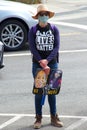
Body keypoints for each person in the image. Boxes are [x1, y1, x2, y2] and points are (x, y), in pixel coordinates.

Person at [28, 4, 63, 129]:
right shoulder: (33, 30)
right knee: (39, 92)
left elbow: (56, 47)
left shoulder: (54, 29)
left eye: (46, 15)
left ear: (48, 16)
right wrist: (41, 62)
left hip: (52, 63)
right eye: (41, 15)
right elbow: (32, 47)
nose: (44, 17)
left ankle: (54, 117)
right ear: (38, 17)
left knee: (52, 92)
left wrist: (47, 61)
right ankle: (38, 118)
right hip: (37, 65)